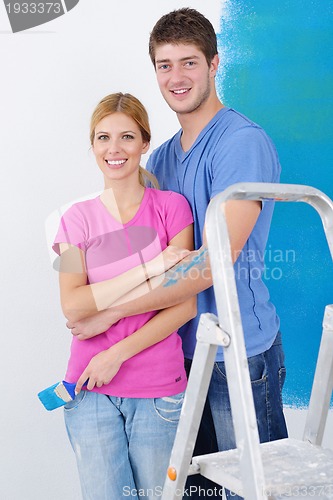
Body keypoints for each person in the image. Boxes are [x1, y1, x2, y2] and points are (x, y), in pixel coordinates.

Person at [66, 8, 288, 499]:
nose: (176, 77)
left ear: (214, 64)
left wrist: (109, 313)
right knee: (199, 492)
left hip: (237, 351)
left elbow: (214, 261)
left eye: (188, 62)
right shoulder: (162, 156)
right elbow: (136, 251)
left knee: (253, 491)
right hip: (176, 356)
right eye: (164, 65)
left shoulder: (241, 142)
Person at [52, 92, 196, 500]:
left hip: (157, 391)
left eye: (127, 137)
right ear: (92, 145)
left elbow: (183, 303)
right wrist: (153, 267)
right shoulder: (74, 219)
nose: (114, 150)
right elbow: (73, 304)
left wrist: (114, 346)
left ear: (145, 143)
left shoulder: (173, 208)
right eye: (103, 138)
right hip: (88, 390)